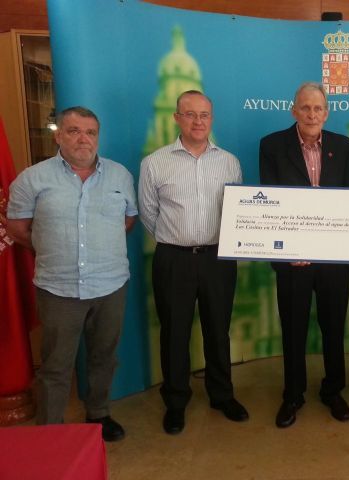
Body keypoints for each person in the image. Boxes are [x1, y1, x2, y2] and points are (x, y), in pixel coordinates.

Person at [6, 106, 137, 441]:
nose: (83, 139)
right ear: (58, 136)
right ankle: (50, 431)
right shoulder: (33, 178)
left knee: (104, 357)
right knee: (56, 364)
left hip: (110, 285)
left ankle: (99, 414)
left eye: (90, 132)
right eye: (74, 131)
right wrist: (52, 246)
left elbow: (127, 221)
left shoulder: (120, 175)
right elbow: (18, 229)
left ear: (98, 137)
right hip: (58, 288)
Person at [139, 90, 248, 435]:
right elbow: (148, 214)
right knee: (175, 332)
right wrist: (178, 240)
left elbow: (237, 210)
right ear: (177, 118)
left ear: (211, 119)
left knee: (218, 329)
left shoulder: (229, 162)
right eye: (190, 114)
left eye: (204, 115)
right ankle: (175, 401)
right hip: (174, 258)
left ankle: (222, 395)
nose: (198, 121)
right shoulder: (155, 163)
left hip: (218, 258)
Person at [259, 82, 349, 428]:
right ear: (294, 111)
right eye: (305, 107)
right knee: (293, 329)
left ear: (326, 113)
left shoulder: (343, 147)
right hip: (293, 259)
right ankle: (293, 395)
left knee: (334, 327)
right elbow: (271, 202)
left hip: (333, 259)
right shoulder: (272, 145)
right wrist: (288, 249)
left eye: (318, 108)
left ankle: (333, 390)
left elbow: (346, 202)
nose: (312, 114)